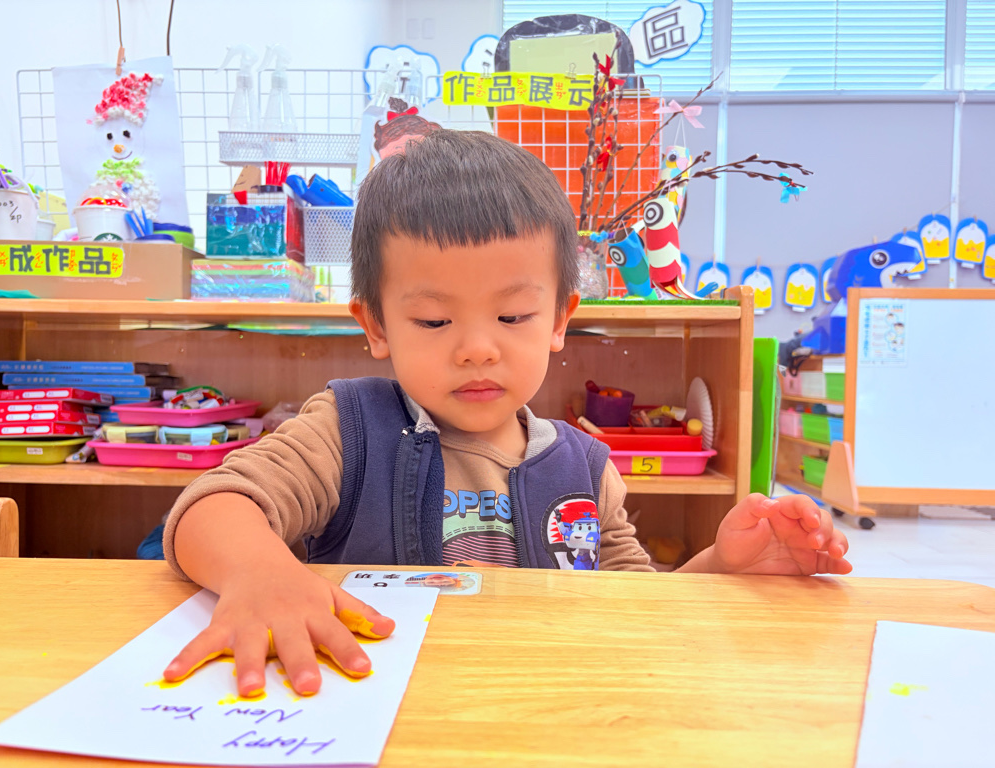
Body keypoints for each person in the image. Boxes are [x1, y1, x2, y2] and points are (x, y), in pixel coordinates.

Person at [162, 130, 851, 699]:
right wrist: (261, 574)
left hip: (531, 703)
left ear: (559, 319)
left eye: (514, 316)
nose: (478, 349)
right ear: (375, 325)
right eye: (434, 321)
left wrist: (721, 568)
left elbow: (632, 603)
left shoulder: (585, 467)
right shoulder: (347, 430)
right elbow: (211, 505)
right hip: (375, 704)